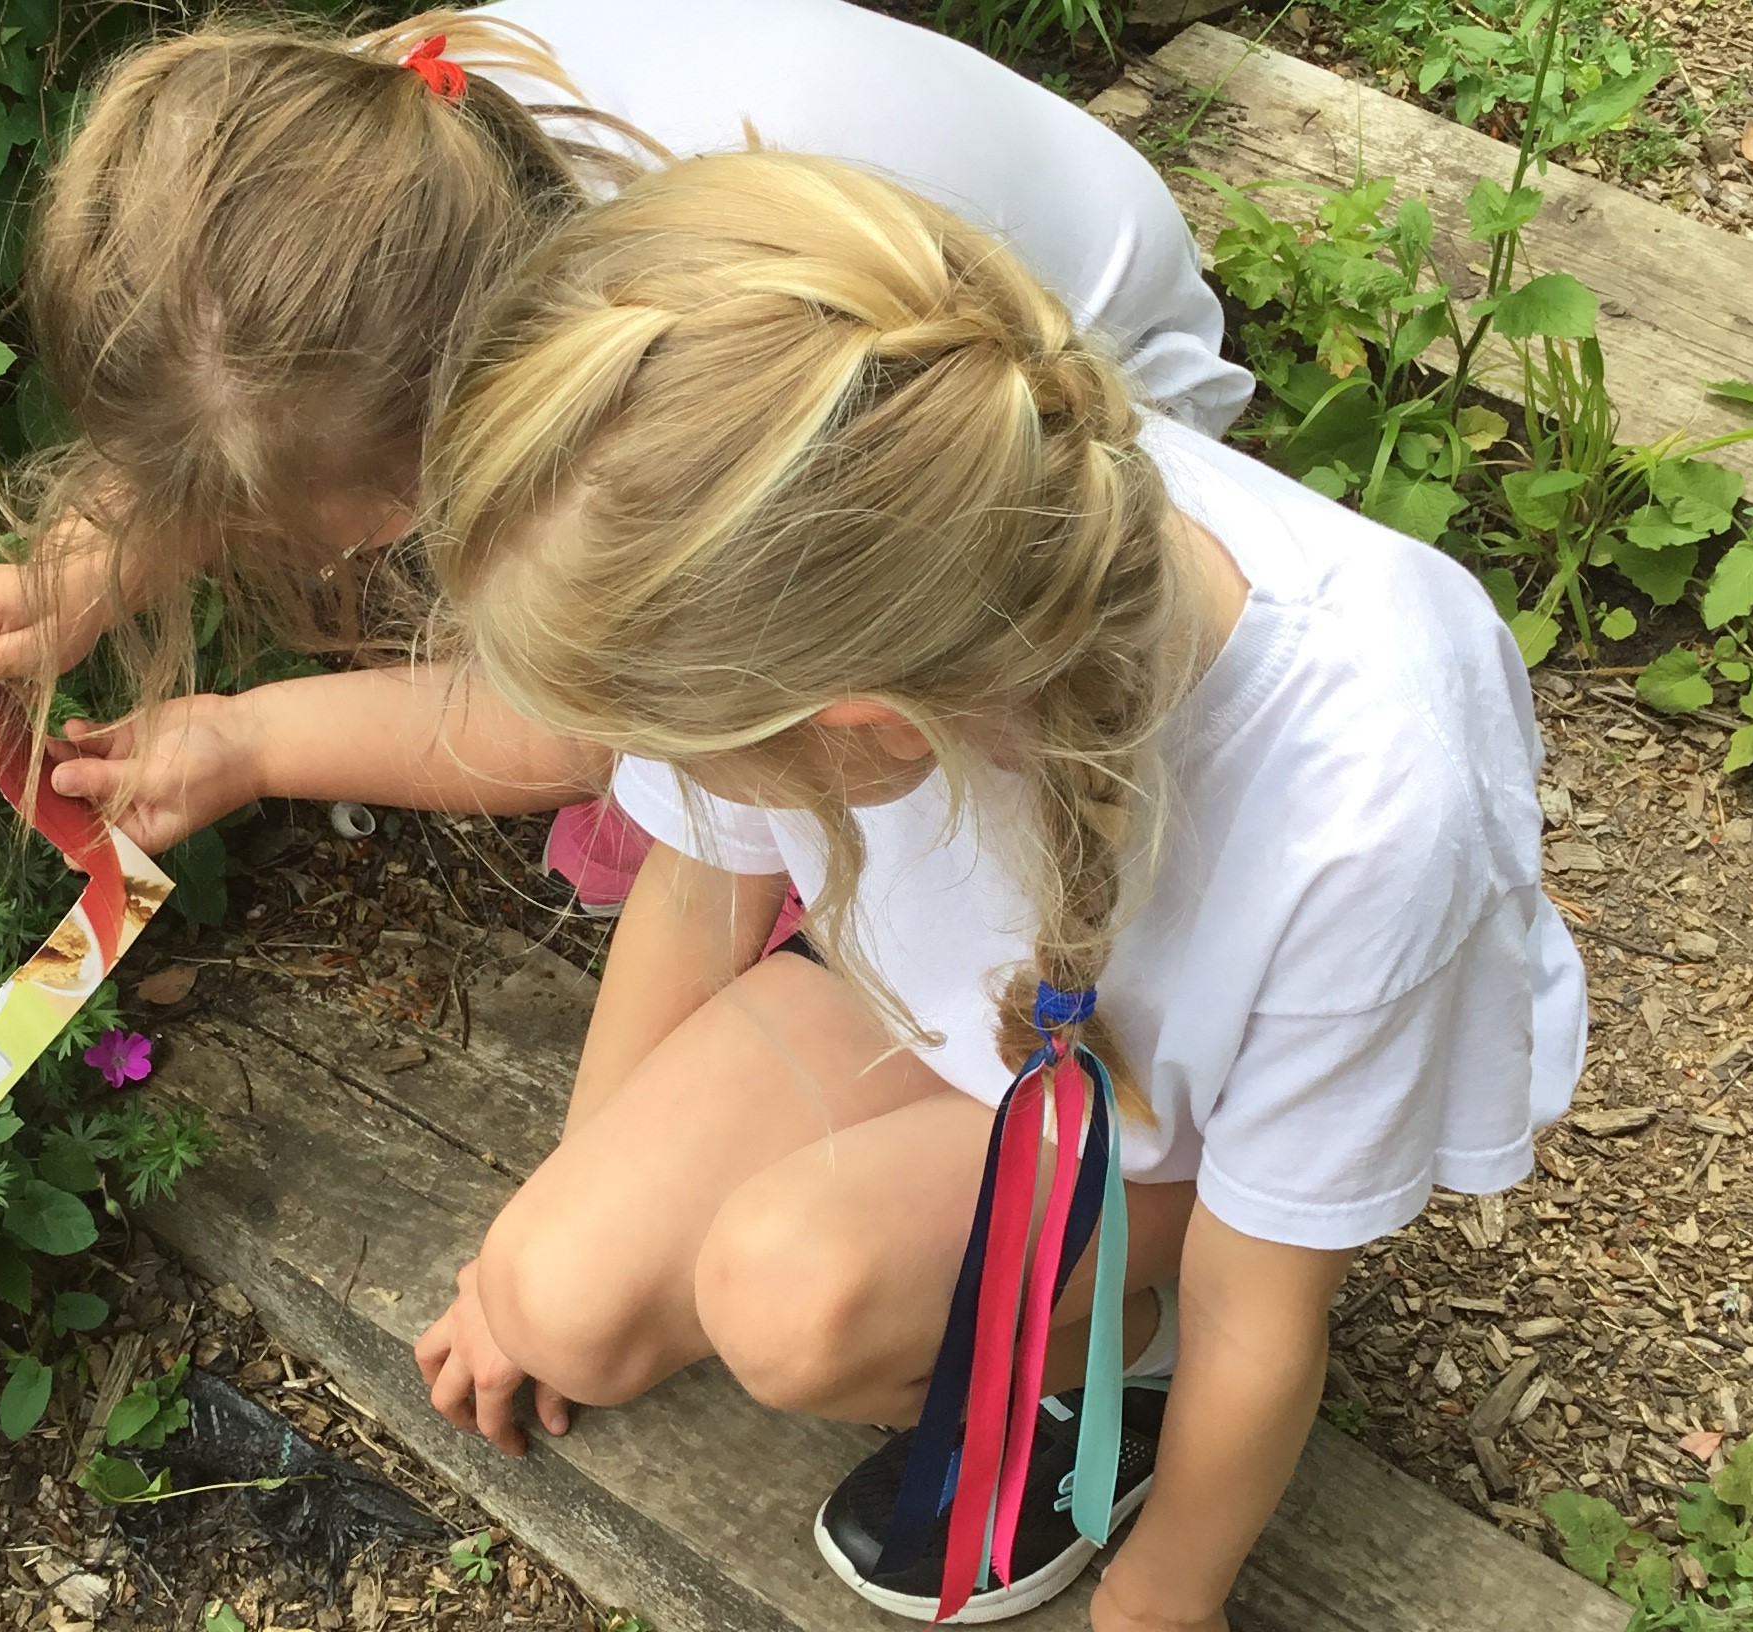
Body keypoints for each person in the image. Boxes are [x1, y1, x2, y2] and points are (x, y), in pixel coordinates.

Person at [411, 152, 1586, 1628]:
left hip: (1174, 1130)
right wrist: (562, 1209)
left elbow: (1263, 1295)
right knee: (559, 1296)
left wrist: (1165, 1596)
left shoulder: (1371, 803)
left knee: (794, 1307)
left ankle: (1117, 1355)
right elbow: (698, 886)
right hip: (941, 997)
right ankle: (986, 1288)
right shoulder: (837, 560)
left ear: (868, 732)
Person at [0, 1, 1249, 895]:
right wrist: (88, 557)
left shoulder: (698, 342)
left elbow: (578, 704)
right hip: (931, 282)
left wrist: (247, 742)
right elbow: (235, 355)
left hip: (1090, 427)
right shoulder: (382, 146)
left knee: (773, 778)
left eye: (357, 519)